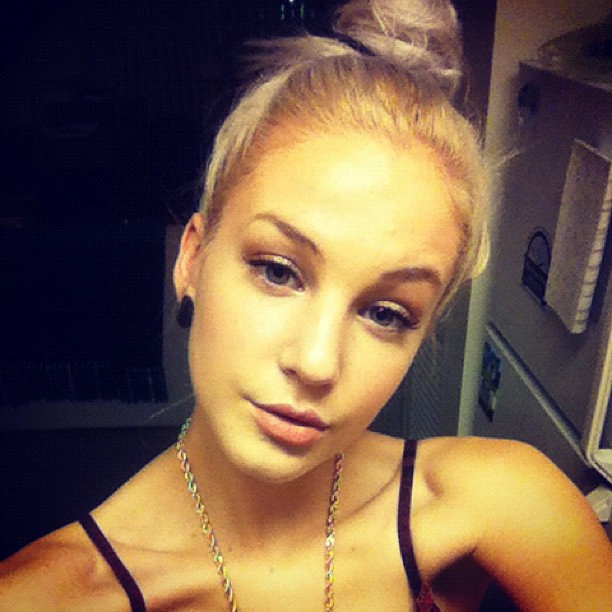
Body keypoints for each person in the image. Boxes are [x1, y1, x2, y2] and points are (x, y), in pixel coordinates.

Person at [1, 0, 611, 609]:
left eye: (385, 313)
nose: (317, 363)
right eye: (278, 271)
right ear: (192, 259)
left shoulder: (501, 506)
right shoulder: (46, 596)